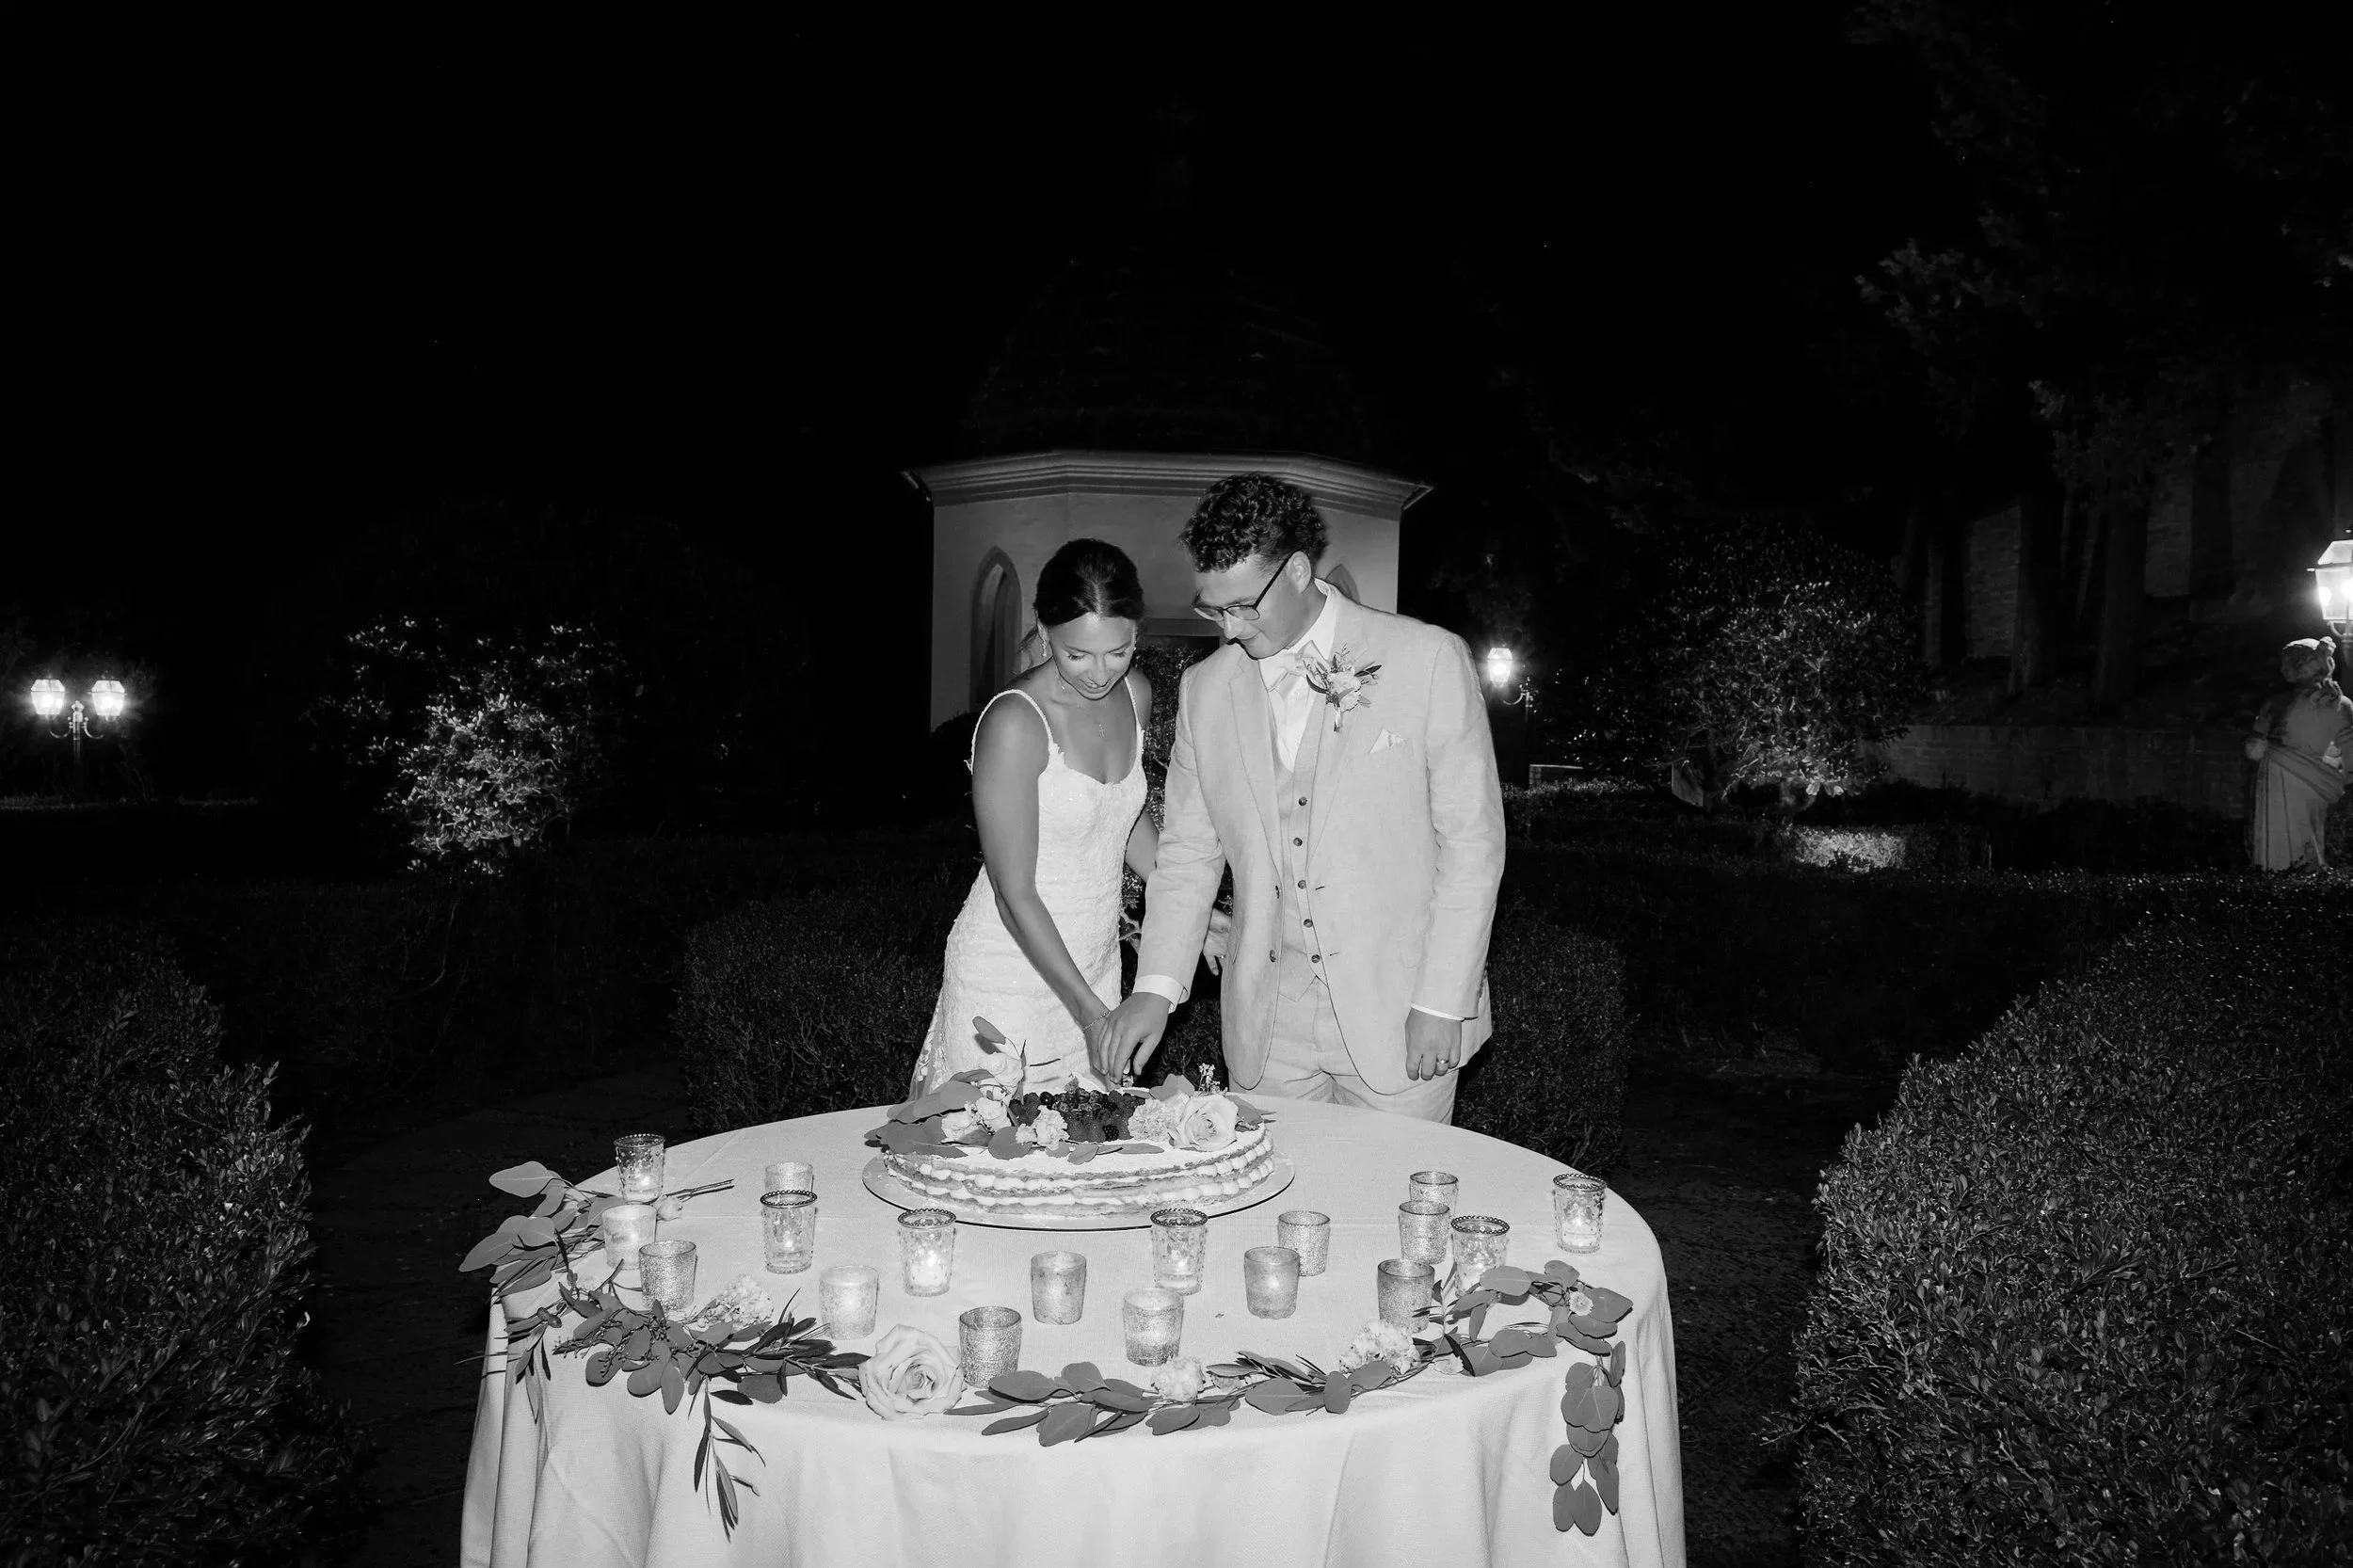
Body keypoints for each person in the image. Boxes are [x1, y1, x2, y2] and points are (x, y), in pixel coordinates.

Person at [1096, 473, 1508, 1122]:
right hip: (1267, 1028)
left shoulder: (1427, 660)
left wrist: (1441, 1001)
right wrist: (1155, 986)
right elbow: (1187, 854)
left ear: (1295, 570)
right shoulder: (1205, 691)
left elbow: (1472, 846)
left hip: (1401, 1012)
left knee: (1393, 1187)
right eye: (1214, 609)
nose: (1230, 629)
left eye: (1243, 606)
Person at [908, 539, 1164, 1094]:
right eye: (1078, 655)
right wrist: (1089, 1012)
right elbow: (1013, 893)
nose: (1100, 673)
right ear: (1045, 633)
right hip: (1010, 974)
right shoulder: (1015, 722)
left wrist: (1185, 905)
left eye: (1118, 651)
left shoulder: (1135, 695)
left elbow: (1121, 818)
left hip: (1094, 966)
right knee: (993, 1143)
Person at [2245, 636, 2353, 872]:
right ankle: (2292, 880)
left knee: (2301, 834)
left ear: (2305, 665)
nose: (2283, 669)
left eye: (2287, 663)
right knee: (2295, 835)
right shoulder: (2277, 702)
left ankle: (2289, 879)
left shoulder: (2336, 704)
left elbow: (2348, 745)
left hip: (2301, 779)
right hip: (2287, 777)